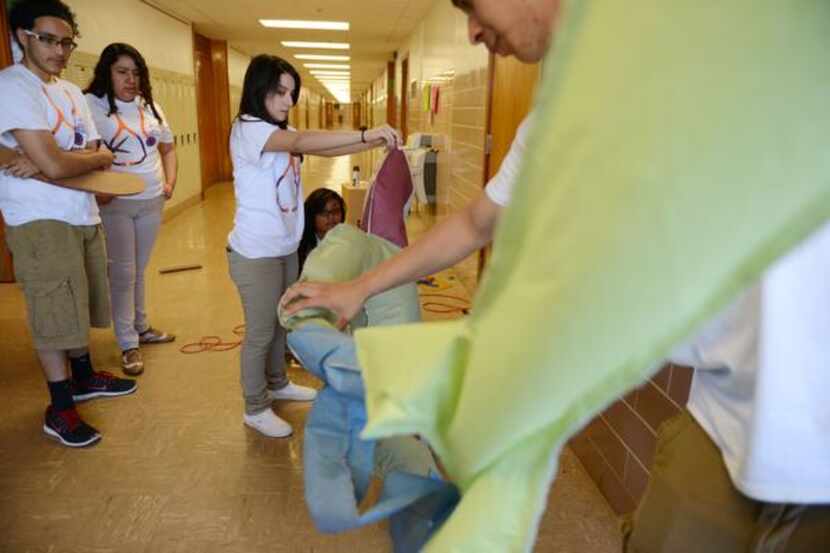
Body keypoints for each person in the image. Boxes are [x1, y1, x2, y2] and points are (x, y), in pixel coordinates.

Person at [283, 0, 830, 549]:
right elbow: (476, 223)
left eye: (473, 4)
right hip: (726, 417)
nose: (471, 29)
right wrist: (359, 287)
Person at [227, 54, 401, 438]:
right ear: (259, 91)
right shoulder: (249, 129)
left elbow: (322, 149)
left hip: (284, 248)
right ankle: (254, 407)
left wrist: (365, 143)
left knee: (280, 320)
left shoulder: (274, 128)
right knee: (260, 332)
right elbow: (306, 140)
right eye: (280, 92)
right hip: (255, 252)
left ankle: (277, 382)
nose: (288, 101)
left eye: (292, 93)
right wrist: (365, 133)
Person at [0, 0, 137, 448]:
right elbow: (59, 166)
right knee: (54, 312)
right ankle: (59, 408)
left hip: (81, 212)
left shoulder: (71, 92)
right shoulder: (13, 87)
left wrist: (66, 160)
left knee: (81, 302)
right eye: (49, 40)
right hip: (40, 217)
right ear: (23, 36)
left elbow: (99, 153)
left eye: (66, 42)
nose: (60, 50)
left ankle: (83, 377)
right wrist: (67, 162)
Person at [84, 43, 177, 376]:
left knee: (139, 267)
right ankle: (128, 344)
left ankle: (141, 326)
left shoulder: (150, 106)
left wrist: (170, 181)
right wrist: (100, 187)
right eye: (122, 72)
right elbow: (83, 154)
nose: (131, 79)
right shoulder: (91, 106)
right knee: (122, 273)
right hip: (117, 204)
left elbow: (168, 147)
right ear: (107, 72)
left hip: (151, 200)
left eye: (136, 73)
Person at [297, 187, 345, 270]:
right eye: (324, 213)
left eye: (336, 211)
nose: (331, 217)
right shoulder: (301, 246)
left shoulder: (348, 241)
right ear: (311, 215)